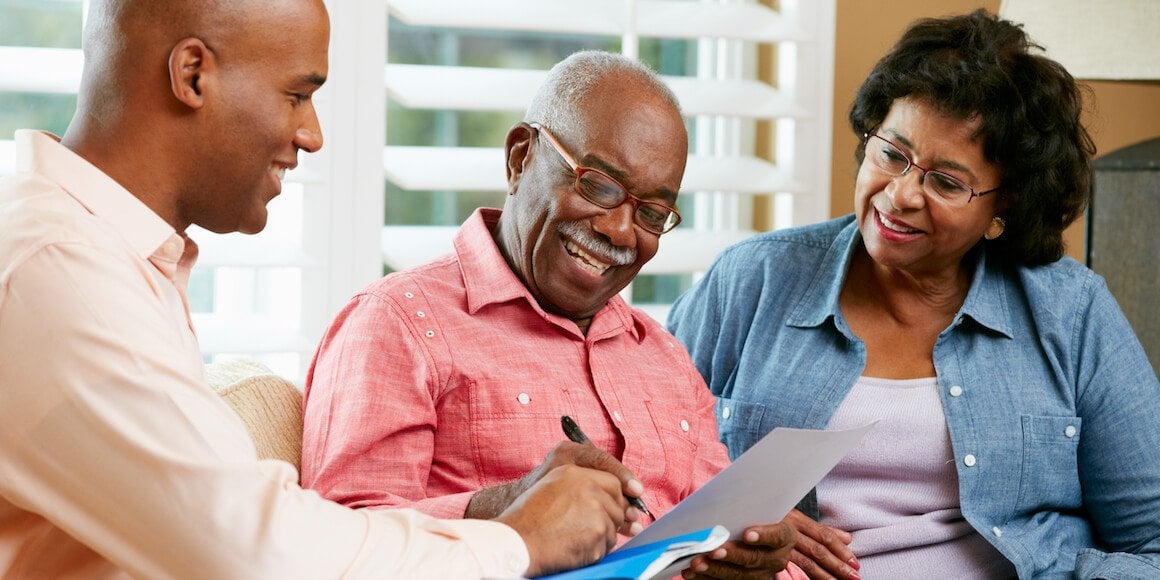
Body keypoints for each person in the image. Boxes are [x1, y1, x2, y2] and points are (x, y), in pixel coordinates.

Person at [0, 1, 643, 577]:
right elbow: (259, 556)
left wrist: (503, 517)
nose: (313, 134)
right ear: (193, 74)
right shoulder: (58, 270)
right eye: (296, 95)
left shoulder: (106, 255)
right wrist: (518, 541)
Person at [667, 9, 1160, 580]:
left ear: (1005, 208)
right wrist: (731, 519)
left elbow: (1151, 536)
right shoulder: (752, 280)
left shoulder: (1070, 312)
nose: (900, 195)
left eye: (946, 181)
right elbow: (646, 472)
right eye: (891, 154)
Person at [300, 50, 797, 579]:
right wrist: (508, 506)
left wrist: (752, 556)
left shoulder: (663, 355)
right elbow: (341, 539)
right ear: (520, 157)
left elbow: (717, 528)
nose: (621, 231)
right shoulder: (397, 323)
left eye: (652, 212)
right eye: (598, 185)